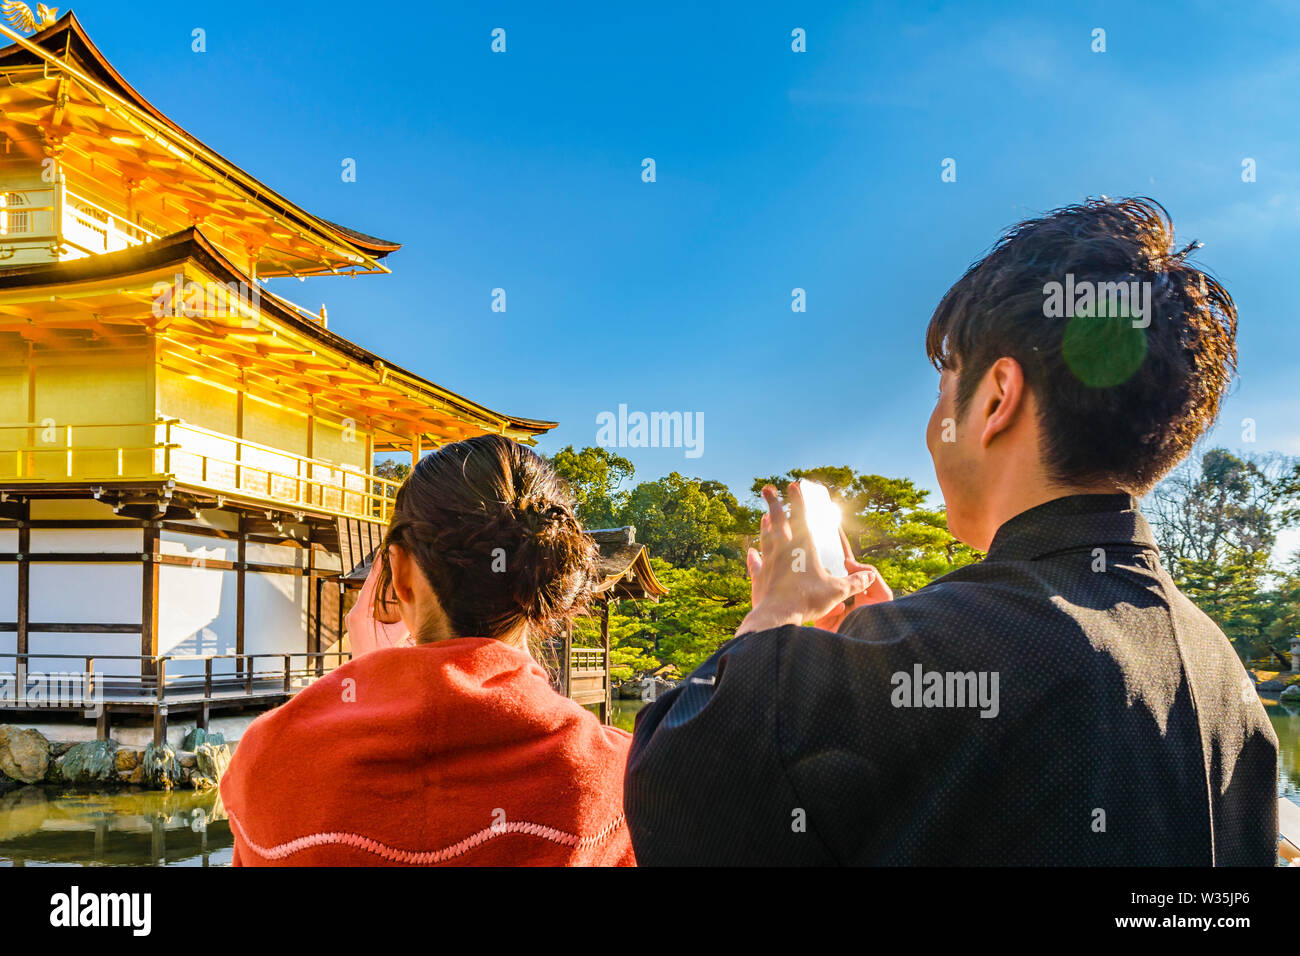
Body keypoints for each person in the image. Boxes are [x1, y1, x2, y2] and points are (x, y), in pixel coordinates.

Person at [624, 197, 1279, 866]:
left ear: (997, 398)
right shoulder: (1223, 677)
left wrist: (778, 610)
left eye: (945, 388)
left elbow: (674, 788)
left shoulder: (929, 654)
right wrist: (891, 640)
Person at [221, 435, 636, 866]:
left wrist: (370, 681)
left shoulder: (270, 757)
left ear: (398, 573)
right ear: (550, 579)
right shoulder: (615, 778)